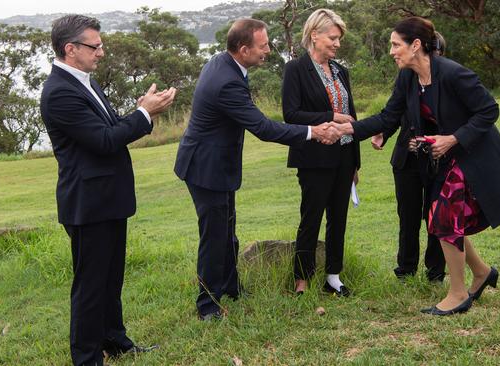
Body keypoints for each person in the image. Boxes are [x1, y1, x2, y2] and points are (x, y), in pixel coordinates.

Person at [330, 17, 500, 315]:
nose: (392, 51)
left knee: (442, 218)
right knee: (443, 218)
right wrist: (348, 129)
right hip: (444, 158)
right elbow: (387, 118)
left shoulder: (453, 73)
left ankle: (458, 293)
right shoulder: (408, 77)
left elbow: (489, 110)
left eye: (396, 44)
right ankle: (482, 272)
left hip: (472, 153)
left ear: (416, 45)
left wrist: (454, 138)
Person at [174, 18, 339, 321]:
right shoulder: (227, 82)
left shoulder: (225, 63)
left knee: (227, 235)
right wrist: (312, 132)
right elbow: (262, 127)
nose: (268, 50)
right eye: (262, 46)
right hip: (205, 168)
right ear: (243, 48)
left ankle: (231, 288)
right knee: (214, 237)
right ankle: (208, 306)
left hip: (216, 165)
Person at [40, 14, 176, 365]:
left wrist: (140, 111)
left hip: (109, 198)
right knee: (90, 286)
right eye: (95, 46)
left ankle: (115, 341)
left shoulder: (86, 81)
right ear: (70, 49)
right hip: (88, 203)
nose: (101, 52)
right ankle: (86, 357)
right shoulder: (58, 92)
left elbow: (112, 126)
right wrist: (144, 114)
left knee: (111, 279)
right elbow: (103, 141)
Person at [282, 9, 359, 296]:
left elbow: (352, 116)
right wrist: (331, 116)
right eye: (333, 37)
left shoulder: (341, 71)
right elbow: (291, 114)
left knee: (338, 218)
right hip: (314, 158)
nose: (337, 43)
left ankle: (333, 277)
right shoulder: (295, 70)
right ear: (314, 35)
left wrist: (356, 164)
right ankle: (301, 279)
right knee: (311, 217)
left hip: (345, 155)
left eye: (339, 39)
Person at [370, 31, 448, 282]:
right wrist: (383, 133)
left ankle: (435, 272)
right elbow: (395, 110)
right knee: (408, 216)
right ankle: (405, 270)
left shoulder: (448, 78)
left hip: (439, 157)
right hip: (407, 159)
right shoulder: (406, 77)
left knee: (436, 215)